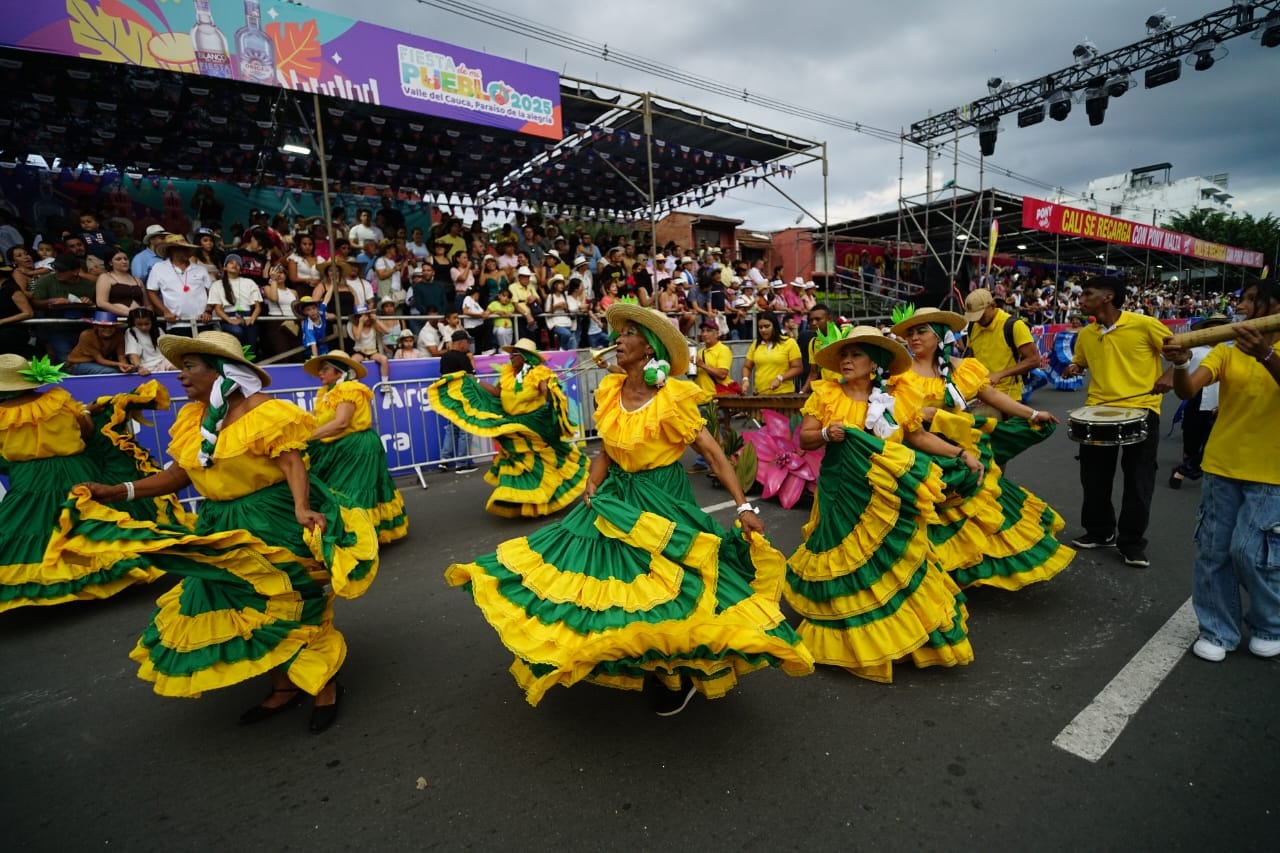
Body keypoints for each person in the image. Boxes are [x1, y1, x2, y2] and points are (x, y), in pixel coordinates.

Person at [443, 304, 814, 713]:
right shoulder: (610, 391)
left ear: (649, 346)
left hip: (661, 499)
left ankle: (676, 673)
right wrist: (591, 483)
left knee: (668, 588)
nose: (617, 340)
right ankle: (627, 658)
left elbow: (713, 454)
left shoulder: (671, 399)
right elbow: (607, 450)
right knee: (606, 583)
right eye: (618, 334)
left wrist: (746, 507)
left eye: (628, 334)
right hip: (615, 497)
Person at [65, 331, 380, 732]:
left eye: (190, 367)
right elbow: (179, 474)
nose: (180, 376)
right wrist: (118, 491)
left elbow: (291, 464)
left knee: (292, 603)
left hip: (271, 519)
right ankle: (283, 685)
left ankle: (322, 684)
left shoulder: (264, 411)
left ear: (222, 372)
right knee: (244, 608)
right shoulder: (191, 420)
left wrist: (302, 507)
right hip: (220, 524)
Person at [786, 324, 977, 682]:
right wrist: (827, 433)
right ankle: (846, 634)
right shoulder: (826, 394)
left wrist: (961, 452)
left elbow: (917, 437)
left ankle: (903, 636)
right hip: (842, 490)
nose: (846, 360)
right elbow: (806, 438)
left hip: (888, 492)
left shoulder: (897, 395)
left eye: (855, 354)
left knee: (894, 560)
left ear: (874, 363)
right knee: (843, 558)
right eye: (843, 354)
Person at [889, 306, 1073, 591]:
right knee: (926, 519)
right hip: (920, 453)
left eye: (921, 331)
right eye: (910, 332)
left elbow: (993, 395)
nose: (914, 338)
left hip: (961, 452)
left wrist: (1033, 415)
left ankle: (965, 570)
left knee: (976, 514)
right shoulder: (897, 374)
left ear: (939, 336)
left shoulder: (963, 368)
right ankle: (930, 579)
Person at [1163, 279, 1280, 662]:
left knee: (1251, 553)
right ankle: (1217, 629)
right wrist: (1180, 365)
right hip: (1221, 465)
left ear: (1272, 305)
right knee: (1212, 552)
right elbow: (1187, 390)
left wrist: (1265, 355)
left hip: (1272, 472)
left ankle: (1269, 624)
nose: (1240, 307)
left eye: (1249, 300)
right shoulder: (1227, 352)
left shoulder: (1266, 351)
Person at [0, 355, 164, 612]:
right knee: (89, 520)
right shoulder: (58, 399)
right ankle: (108, 572)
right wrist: (87, 413)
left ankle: (53, 582)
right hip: (74, 469)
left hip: (29, 478)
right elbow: (86, 430)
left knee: (33, 526)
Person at [1062, 277, 1172, 568]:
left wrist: (1169, 376)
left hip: (1142, 409)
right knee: (1094, 477)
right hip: (1097, 411)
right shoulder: (1087, 333)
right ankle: (1100, 532)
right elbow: (1082, 362)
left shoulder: (1144, 324)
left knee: (1138, 479)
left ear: (1107, 297)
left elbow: (1180, 353)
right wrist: (1074, 367)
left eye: (1087, 293)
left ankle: (1132, 543)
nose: (1080, 298)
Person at [428, 337, 588, 517]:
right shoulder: (508, 374)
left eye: (514, 354)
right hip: (515, 423)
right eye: (510, 354)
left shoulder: (538, 373)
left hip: (534, 425)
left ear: (525, 357)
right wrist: (476, 382)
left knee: (536, 461)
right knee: (519, 460)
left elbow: (546, 393)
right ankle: (523, 498)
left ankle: (544, 496)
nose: (510, 357)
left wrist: (550, 393)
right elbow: (497, 393)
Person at [304, 352, 408, 543]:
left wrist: (307, 437)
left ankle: (361, 536)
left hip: (358, 448)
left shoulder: (349, 389)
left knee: (354, 490)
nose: (320, 373)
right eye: (320, 369)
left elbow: (342, 422)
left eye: (325, 368)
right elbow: (314, 417)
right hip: (342, 447)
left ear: (339, 371)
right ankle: (357, 532)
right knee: (341, 489)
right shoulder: (328, 392)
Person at [1169, 313, 1228, 490]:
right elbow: (1178, 367)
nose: (1216, 330)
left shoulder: (1230, 350)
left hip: (1220, 397)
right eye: (1212, 327)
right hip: (1196, 395)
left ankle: (1185, 470)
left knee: (1213, 442)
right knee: (1192, 435)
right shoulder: (1195, 350)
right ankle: (1188, 463)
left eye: (1221, 327)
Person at [964, 288, 1040, 416]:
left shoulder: (1014, 325)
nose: (977, 320)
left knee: (980, 421)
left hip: (1006, 394)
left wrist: (1000, 374)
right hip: (979, 392)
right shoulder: (973, 327)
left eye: (981, 315)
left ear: (993, 306)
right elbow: (972, 356)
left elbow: (1034, 360)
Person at [434, 330, 478, 473]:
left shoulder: (445, 357)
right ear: (461, 343)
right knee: (465, 430)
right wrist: (471, 361)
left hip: (449, 397)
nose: (468, 345)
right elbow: (471, 376)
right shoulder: (462, 357)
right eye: (467, 342)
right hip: (462, 397)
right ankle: (462, 463)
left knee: (452, 430)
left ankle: (444, 461)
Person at [206, 254, 262, 349]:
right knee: (237, 331)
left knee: (251, 347)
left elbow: (257, 307)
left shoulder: (249, 282)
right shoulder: (217, 285)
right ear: (225, 267)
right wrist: (230, 320)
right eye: (231, 263)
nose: (234, 265)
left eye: (238, 264)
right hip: (228, 316)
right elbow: (218, 309)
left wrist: (252, 319)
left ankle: (249, 362)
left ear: (241, 269)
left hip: (248, 316)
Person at [741, 313, 802, 395]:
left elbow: (797, 368)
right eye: (760, 327)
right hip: (761, 394)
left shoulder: (789, 342)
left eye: (767, 326)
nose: (763, 330)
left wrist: (780, 378)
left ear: (775, 326)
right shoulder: (755, 344)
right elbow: (747, 366)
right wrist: (745, 379)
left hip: (784, 394)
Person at [123, 307, 173, 374]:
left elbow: (168, 349)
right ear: (134, 323)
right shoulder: (131, 331)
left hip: (163, 361)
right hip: (145, 367)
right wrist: (140, 368)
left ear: (152, 321)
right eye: (139, 324)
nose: (144, 327)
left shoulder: (158, 330)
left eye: (147, 324)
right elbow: (133, 354)